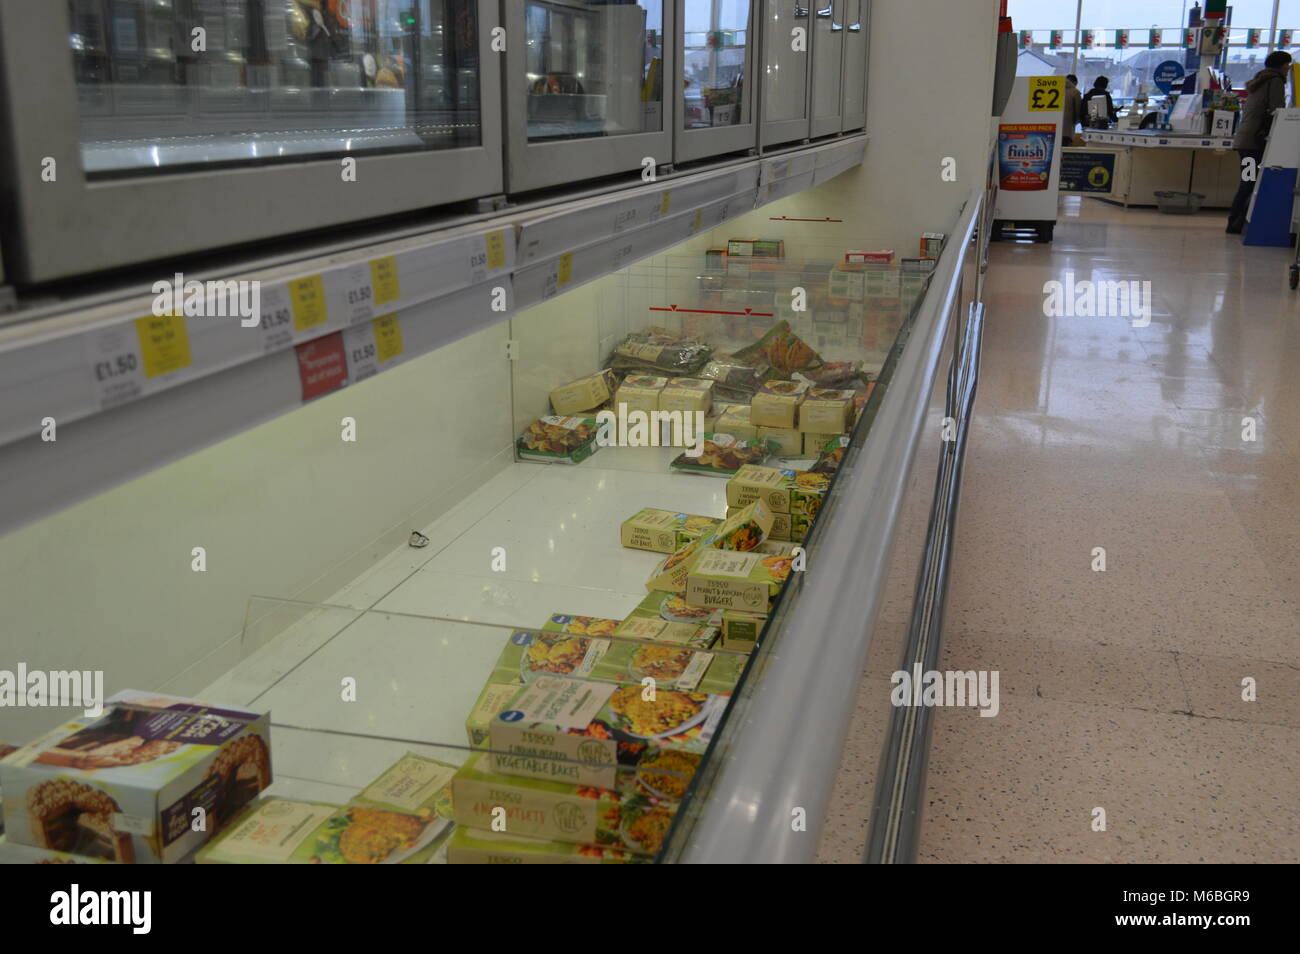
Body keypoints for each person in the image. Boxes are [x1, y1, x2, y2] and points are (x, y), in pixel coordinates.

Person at [1227, 50, 1293, 234]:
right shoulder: (1275, 81)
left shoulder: (1260, 81)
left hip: (1245, 142)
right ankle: (1236, 222)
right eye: (1287, 65)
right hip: (1254, 144)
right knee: (1249, 182)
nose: (1288, 69)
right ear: (1281, 65)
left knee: (1247, 181)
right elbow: (1276, 110)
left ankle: (1235, 221)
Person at [1062, 74, 1085, 146]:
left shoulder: (1056, 88)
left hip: (1053, 128)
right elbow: (1078, 110)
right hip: (1067, 129)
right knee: (1064, 151)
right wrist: (1077, 121)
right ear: (1074, 83)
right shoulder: (1075, 92)